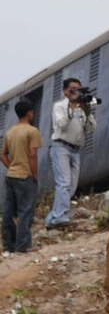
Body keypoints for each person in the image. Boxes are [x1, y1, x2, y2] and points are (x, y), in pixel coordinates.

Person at [45, 77, 96, 228]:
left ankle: (51, 219)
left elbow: (91, 129)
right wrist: (72, 108)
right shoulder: (59, 106)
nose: (75, 92)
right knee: (64, 183)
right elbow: (62, 125)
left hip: (75, 150)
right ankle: (59, 216)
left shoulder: (82, 108)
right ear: (65, 91)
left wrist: (87, 113)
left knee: (71, 186)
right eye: (72, 89)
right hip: (60, 147)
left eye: (78, 89)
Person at [2, 100, 42, 254]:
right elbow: (33, 155)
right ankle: (23, 246)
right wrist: (34, 175)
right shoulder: (32, 131)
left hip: (11, 175)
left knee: (8, 212)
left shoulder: (9, 132)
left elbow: (2, 155)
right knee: (25, 211)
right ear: (29, 113)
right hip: (25, 176)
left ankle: (8, 245)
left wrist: (12, 166)